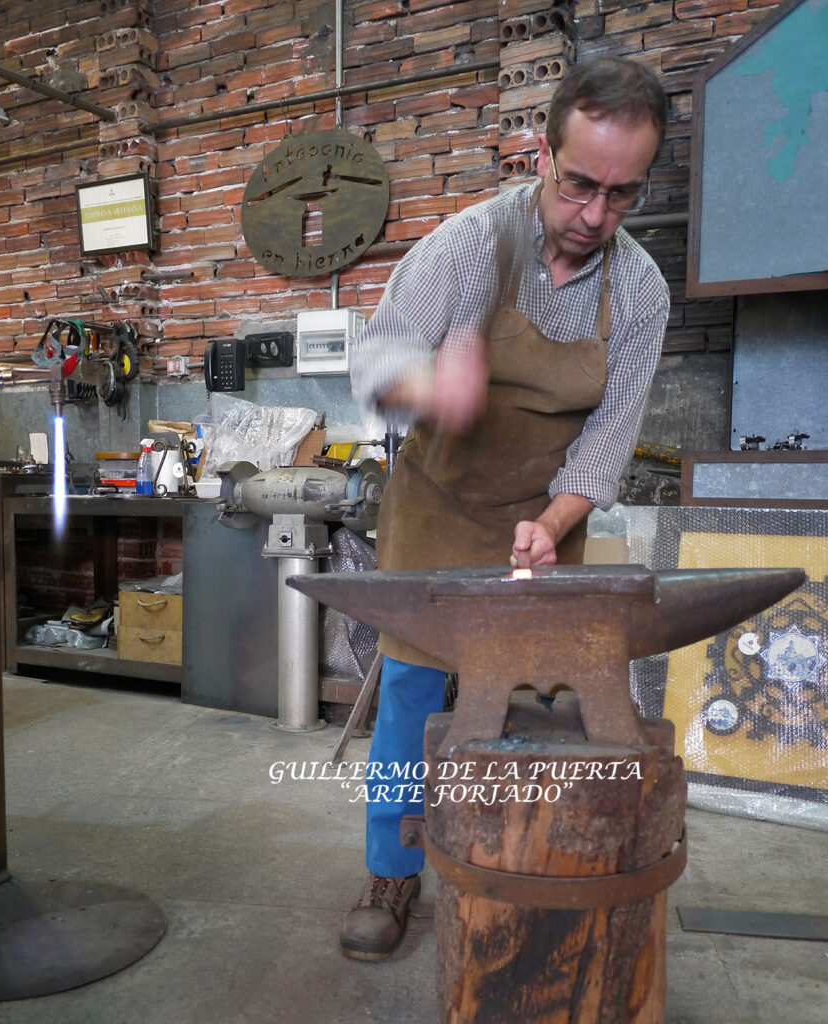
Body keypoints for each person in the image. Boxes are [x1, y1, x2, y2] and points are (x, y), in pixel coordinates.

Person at [342, 55, 670, 961]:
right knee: (410, 690)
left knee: (546, 694)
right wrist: (425, 389)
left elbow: (606, 440)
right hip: (436, 501)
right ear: (540, 157)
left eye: (621, 195)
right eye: (579, 187)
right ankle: (389, 870)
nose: (595, 216)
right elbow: (370, 368)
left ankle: (532, 857)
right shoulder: (467, 246)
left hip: (547, 515)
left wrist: (555, 523)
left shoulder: (639, 292)